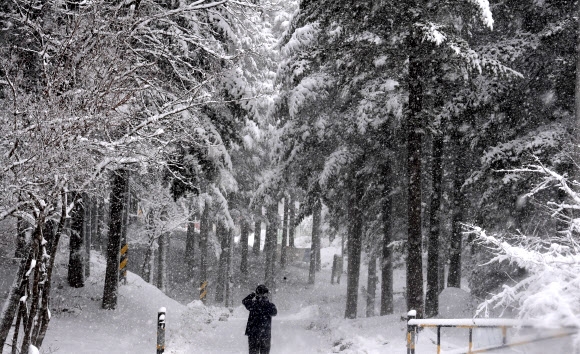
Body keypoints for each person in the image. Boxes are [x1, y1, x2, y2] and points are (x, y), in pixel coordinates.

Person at [242, 284, 277, 354]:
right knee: (264, 351)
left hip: (253, 333)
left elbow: (244, 301)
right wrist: (265, 302)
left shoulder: (253, 304)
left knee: (253, 351)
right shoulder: (269, 305)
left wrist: (253, 295)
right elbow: (274, 312)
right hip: (265, 334)